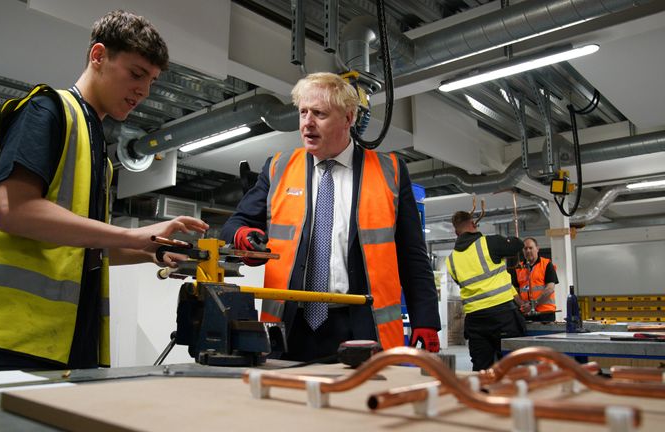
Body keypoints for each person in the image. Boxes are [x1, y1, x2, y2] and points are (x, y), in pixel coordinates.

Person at [0, 10, 208, 373]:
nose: (144, 90)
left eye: (151, 80)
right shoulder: (47, 110)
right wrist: (131, 234)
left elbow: (81, 247)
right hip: (9, 337)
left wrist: (149, 249)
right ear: (99, 56)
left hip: (69, 338)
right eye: (136, 74)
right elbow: (14, 210)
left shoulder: (98, 154)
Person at [221, 72, 440, 362]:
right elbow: (234, 225)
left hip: (360, 324)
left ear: (349, 118)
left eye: (320, 114)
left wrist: (425, 318)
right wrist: (244, 239)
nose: (307, 123)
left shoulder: (391, 171)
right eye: (303, 112)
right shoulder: (277, 168)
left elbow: (412, 255)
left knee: (358, 403)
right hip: (289, 325)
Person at [445, 210, 525, 371]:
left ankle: (481, 395)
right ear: (473, 224)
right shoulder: (489, 243)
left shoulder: (451, 260)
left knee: (481, 369)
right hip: (502, 315)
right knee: (511, 367)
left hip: (475, 320)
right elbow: (517, 245)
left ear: (456, 232)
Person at [513, 237, 558, 322]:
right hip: (526, 314)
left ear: (537, 249)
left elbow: (550, 288)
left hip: (545, 313)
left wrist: (533, 304)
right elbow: (514, 291)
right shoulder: (518, 268)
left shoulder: (547, 264)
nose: (528, 251)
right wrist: (523, 305)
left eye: (531, 248)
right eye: (525, 248)